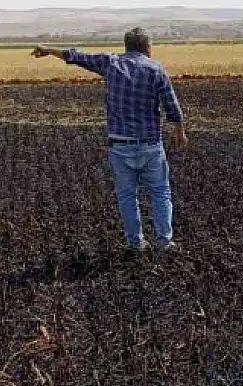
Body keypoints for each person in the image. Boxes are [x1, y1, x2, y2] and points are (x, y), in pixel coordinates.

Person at [31, 27, 189, 252]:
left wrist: (48, 50)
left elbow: (76, 56)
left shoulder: (110, 63)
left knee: (127, 196)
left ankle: (136, 243)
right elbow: (172, 107)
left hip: (120, 145)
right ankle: (164, 241)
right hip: (150, 145)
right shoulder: (156, 70)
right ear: (147, 47)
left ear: (127, 46)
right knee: (160, 193)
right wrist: (179, 133)